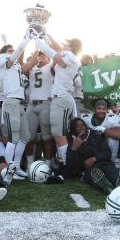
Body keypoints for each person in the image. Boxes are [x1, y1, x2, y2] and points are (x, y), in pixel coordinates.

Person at [33, 35, 83, 167]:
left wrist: (36, 39)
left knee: (58, 135)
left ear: (71, 47)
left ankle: (68, 165)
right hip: (60, 98)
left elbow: (54, 54)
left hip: (61, 99)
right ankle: (65, 163)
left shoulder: (69, 56)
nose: (63, 47)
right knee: (58, 134)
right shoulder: (70, 56)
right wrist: (47, 34)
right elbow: (58, 49)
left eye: (67, 45)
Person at [48, 117, 120, 193]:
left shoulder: (95, 137)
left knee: (111, 171)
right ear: (73, 130)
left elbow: (107, 152)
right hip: (88, 169)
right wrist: (74, 149)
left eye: (83, 125)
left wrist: (94, 159)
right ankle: (105, 186)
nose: (81, 127)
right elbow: (71, 166)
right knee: (95, 174)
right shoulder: (72, 144)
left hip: (104, 163)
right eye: (78, 126)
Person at [0, 35, 32, 173]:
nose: (12, 52)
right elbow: (17, 52)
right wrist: (27, 39)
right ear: (5, 52)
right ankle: (7, 169)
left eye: (13, 50)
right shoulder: (2, 58)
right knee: (13, 138)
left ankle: (16, 166)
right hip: (11, 101)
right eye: (10, 50)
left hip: (19, 102)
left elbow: (23, 61)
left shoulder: (15, 66)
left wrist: (34, 45)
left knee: (25, 136)